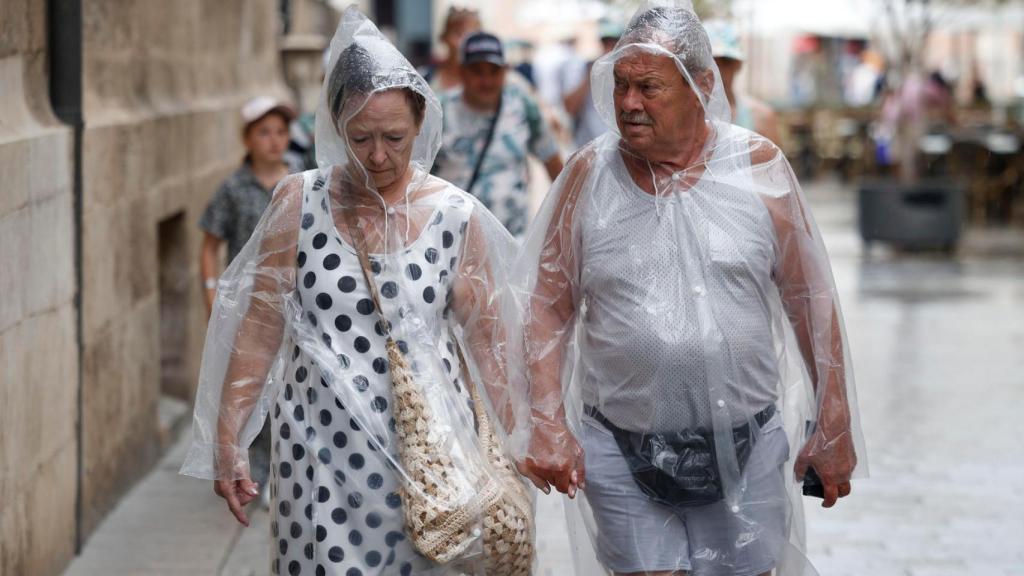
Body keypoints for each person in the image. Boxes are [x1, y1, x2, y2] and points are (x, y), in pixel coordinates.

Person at [512, 4, 865, 575]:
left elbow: (812, 301)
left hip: (747, 444)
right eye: (621, 84)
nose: (628, 104)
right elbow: (546, 307)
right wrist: (547, 422)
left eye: (648, 87)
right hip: (621, 446)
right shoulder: (587, 174)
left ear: (702, 87)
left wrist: (835, 422)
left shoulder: (757, 166)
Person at [181, 8, 524, 576]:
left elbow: (488, 338)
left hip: (428, 454)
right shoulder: (298, 202)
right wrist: (229, 440)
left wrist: (522, 439)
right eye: (361, 137)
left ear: (422, 125)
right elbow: (259, 328)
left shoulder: (455, 216)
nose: (380, 156)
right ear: (335, 126)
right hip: (317, 452)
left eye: (395, 137)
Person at [433, 31, 564, 237]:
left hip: (510, 243)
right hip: (449, 241)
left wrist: (565, 220)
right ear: (462, 72)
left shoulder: (521, 104)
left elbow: (552, 160)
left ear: (504, 72)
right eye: (477, 71)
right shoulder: (438, 110)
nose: (486, 81)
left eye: (494, 71)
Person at [200, 96, 297, 317]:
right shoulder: (232, 188)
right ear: (247, 139)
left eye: (281, 132)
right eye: (264, 132)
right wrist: (211, 295)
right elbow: (209, 247)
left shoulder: (300, 182)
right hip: (244, 303)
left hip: (294, 301)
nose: (274, 140)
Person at [704, 19, 781, 145]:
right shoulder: (685, 118)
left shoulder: (761, 118)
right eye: (710, 61)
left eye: (725, 61)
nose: (718, 69)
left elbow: (776, 163)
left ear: (738, 64)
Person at [562, 19, 624, 150]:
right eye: (606, 42)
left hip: (619, 148)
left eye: (614, 42)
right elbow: (569, 107)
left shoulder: (630, 72)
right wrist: (591, 75)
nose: (610, 47)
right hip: (589, 148)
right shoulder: (584, 68)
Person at [421, 6, 482, 94]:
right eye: (458, 34)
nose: (464, 42)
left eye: (471, 36)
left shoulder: (491, 82)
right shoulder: (425, 78)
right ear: (444, 37)